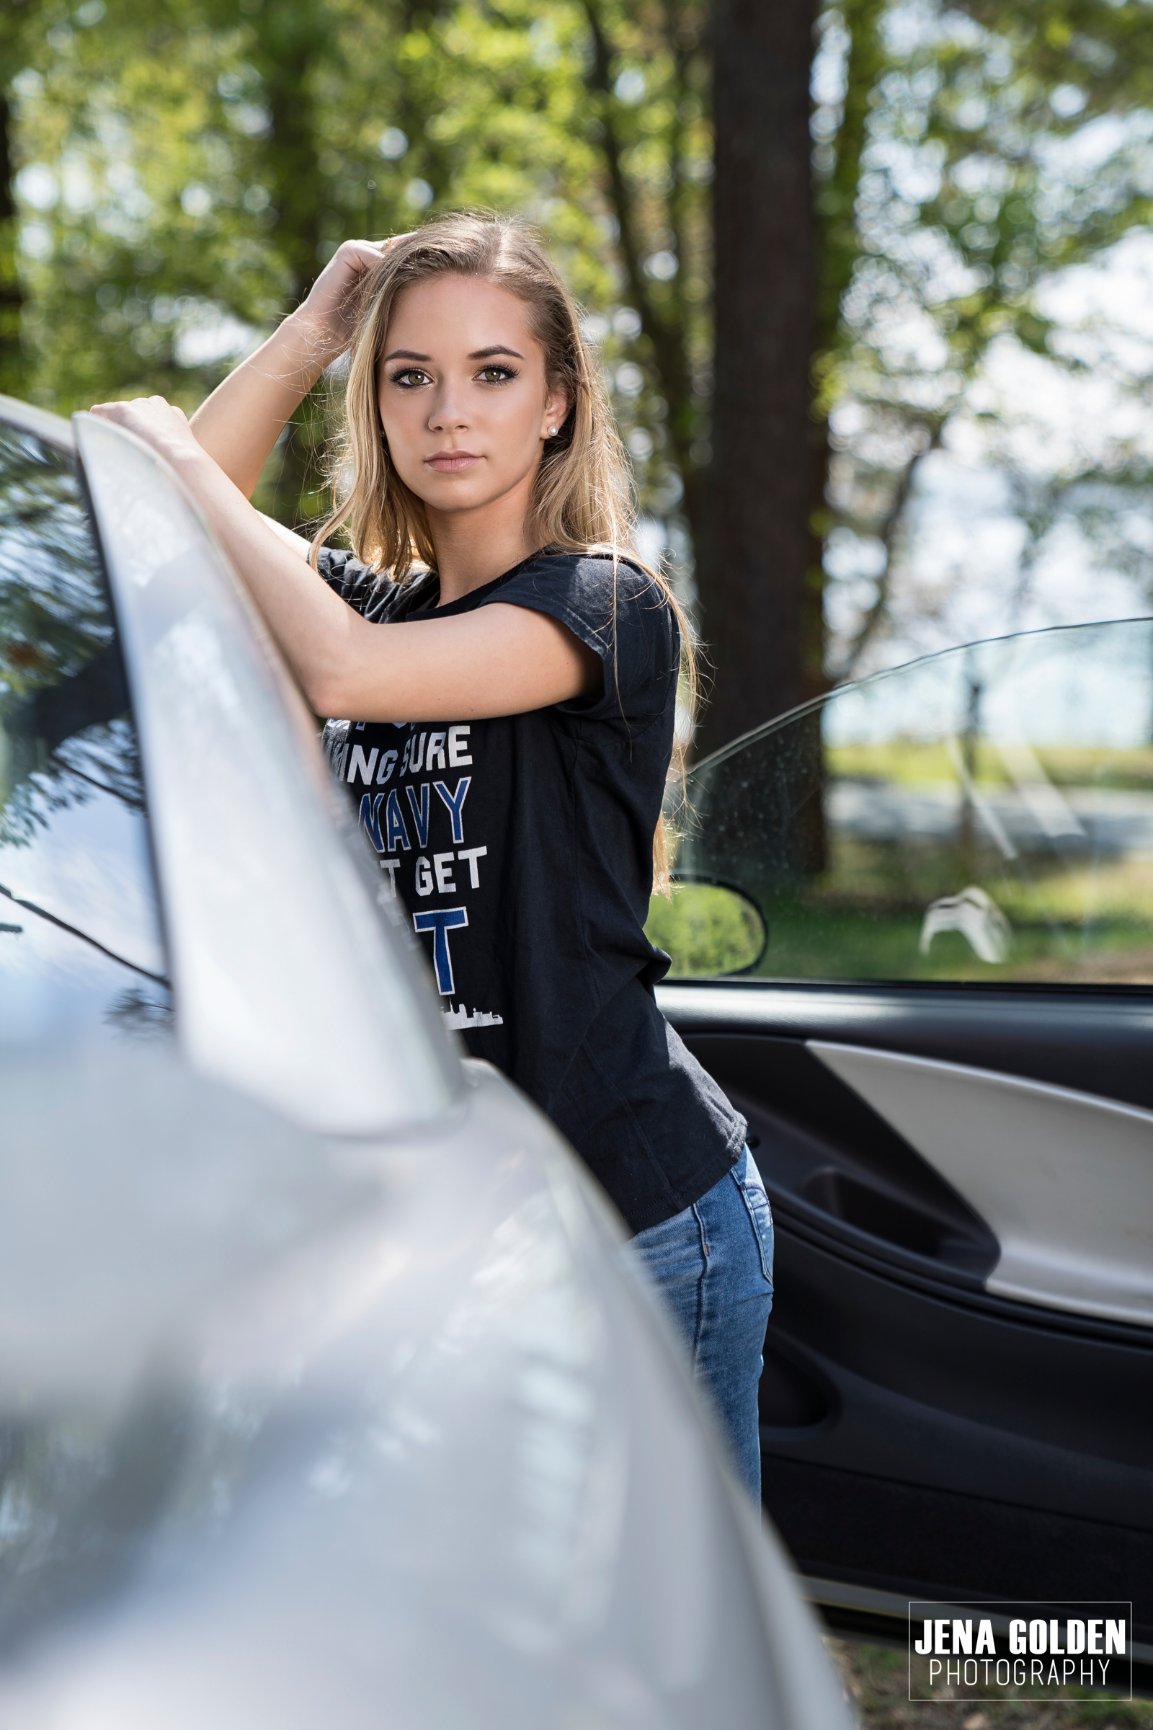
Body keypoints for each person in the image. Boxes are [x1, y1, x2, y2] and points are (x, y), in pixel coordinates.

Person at [90, 210, 774, 1498]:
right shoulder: (377, 596)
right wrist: (316, 332)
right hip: (466, 1232)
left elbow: (350, 673)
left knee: (677, 1662)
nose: (450, 412)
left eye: (494, 374)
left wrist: (174, 450)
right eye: (413, 378)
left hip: (638, 1214)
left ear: (558, 405)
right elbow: (154, 537)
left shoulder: (604, 604)